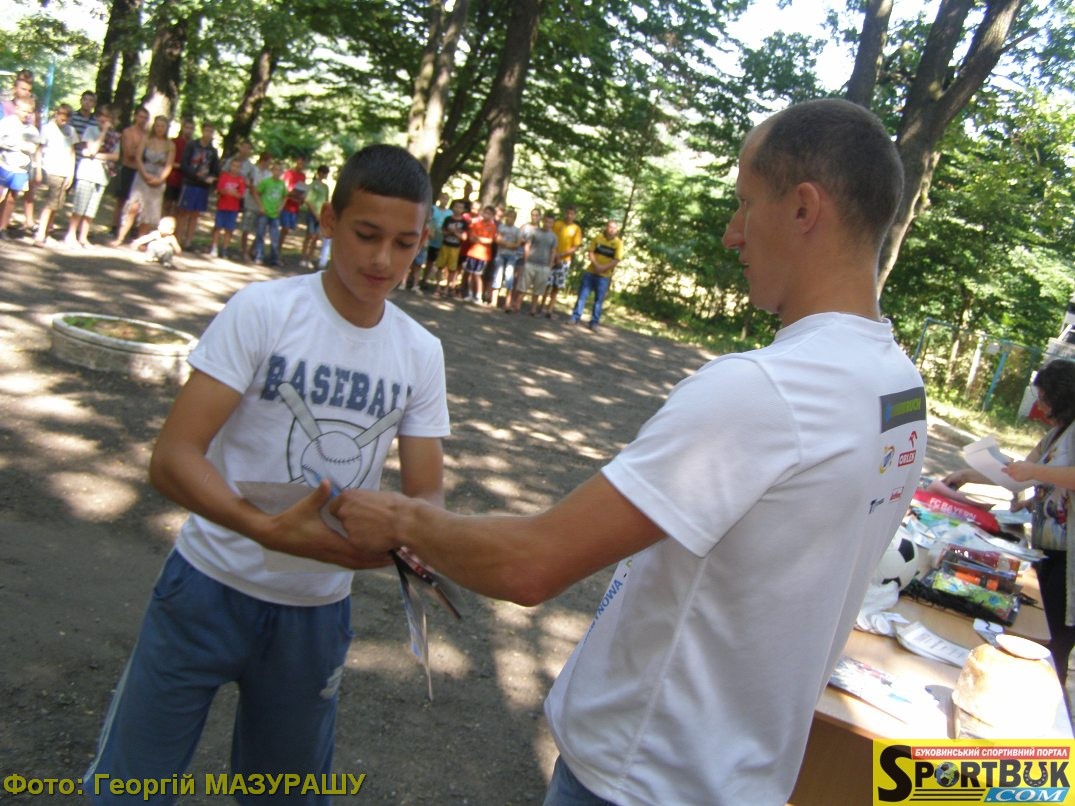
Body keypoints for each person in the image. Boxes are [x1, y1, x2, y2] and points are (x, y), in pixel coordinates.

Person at [326, 99, 927, 805]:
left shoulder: (765, 391)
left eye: (744, 203)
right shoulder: (898, 387)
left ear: (802, 208)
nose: (732, 233)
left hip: (639, 776)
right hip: (741, 778)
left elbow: (532, 563)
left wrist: (401, 519)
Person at [82, 143, 449, 804]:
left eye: (404, 243)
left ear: (423, 242)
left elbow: (426, 491)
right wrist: (264, 530)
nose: (382, 260)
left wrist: (409, 537)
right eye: (366, 234)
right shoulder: (263, 311)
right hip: (207, 586)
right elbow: (174, 457)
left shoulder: (420, 352)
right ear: (329, 220)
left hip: (316, 612)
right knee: (131, 784)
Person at [945, 357, 1075, 686]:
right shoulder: (1057, 434)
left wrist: (1036, 472)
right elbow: (1017, 473)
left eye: (1044, 399)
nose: (1040, 407)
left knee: (1053, 640)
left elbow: (1042, 472)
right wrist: (968, 473)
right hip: (1050, 547)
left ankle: (1049, 699)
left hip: (1070, 557)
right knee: (1041, 627)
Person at [111, 115, 175, 246]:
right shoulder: (146, 139)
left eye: (162, 126)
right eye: (157, 125)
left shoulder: (170, 145)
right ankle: (120, 238)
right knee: (133, 207)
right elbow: (138, 158)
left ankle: (140, 241)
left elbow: (169, 165)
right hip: (142, 174)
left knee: (149, 210)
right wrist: (144, 174)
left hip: (158, 178)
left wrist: (160, 179)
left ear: (166, 128)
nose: (160, 128)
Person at [65, 105, 119, 248]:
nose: (104, 119)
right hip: (87, 173)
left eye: (107, 117)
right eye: (101, 116)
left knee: (91, 210)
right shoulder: (91, 130)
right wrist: (104, 132)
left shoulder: (115, 136)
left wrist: (95, 156)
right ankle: (71, 235)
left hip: (102, 176)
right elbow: (93, 148)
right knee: (79, 207)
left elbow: (115, 156)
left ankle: (83, 237)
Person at [33, 103, 79, 246]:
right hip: (50, 169)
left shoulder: (71, 131)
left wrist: (71, 173)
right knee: (50, 203)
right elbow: (39, 150)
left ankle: (48, 230)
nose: (64, 120)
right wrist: (38, 169)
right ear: (56, 114)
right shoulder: (47, 129)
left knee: (57, 204)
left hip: (64, 171)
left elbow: (72, 152)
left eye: (67, 118)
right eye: (62, 117)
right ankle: (40, 234)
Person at [569, 220, 623, 332]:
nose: (611, 230)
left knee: (598, 300)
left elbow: (616, 260)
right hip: (590, 272)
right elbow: (591, 252)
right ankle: (575, 317)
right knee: (582, 296)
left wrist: (603, 268)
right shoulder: (598, 238)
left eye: (614, 228)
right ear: (606, 227)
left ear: (616, 230)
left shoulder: (618, 243)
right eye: (610, 227)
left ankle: (594, 323)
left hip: (604, 276)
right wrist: (596, 265)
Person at [0, 97, 40, 238]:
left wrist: (24, 147)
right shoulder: (7, 123)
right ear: (16, 109)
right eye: (24, 111)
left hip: (20, 169)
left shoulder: (32, 130)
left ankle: (3, 227)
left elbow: (33, 148)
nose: (26, 114)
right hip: (4, 164)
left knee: (12, 198)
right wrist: (14, 145)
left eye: (29, 112)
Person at [175, 121, 220, 248]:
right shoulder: (192, 145)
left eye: (211, 131)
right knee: (183, 213)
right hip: (189, 183)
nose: (208, 134)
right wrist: (196, 175)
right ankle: (177, 239)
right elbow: (184, 164)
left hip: (203, 187)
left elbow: (215, 170)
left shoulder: (213, 151)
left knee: (195, 214)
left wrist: (211, 178)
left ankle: (188, 241)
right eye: (207, 130)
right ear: (202, 131)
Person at [111, 106, 150, 235]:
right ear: (135, 116)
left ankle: (132, 227)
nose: (143, 120)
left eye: (145, 118)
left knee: (138, 201)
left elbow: (148, 155)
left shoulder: (148, 135)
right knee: (122, 199)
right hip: (128, 169)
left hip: (141, 171)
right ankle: (115, 226)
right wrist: (141, 152)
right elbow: (129, 153)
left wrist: (138, 151)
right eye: (141, 117)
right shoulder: (128, 132)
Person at [541, 206, 583, 318]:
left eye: (572, 214)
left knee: (556, 286)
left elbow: (575, 247)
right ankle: (541, 307)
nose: (569, 216)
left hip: (564, 261)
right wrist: (554, 255)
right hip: (551, 257)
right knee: (547, 284)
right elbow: (550, 238)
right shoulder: (557, 224)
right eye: (568, 213)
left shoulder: (576, 229)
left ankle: (550, 309)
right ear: (565, 213)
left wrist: (560, 255)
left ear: (574, 216)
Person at [513, 212, 556, 315]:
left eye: (550, 222)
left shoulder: (553, 237)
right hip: (530, 263)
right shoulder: (535, 232)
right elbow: (527, 245)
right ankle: (517, 306)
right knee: (523, 286)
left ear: (552, 224)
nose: (547, 224)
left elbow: (553, 251)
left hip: (544, 266)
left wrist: (550, 266)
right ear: (543, 221)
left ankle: (533, 309)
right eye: (546, 221)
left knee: (538, 290)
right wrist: (526, 260)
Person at [207, 156, 246, 259]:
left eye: (238, 167)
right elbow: (220, 190)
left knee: (229, 229)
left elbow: (241, 195)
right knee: (218, 227)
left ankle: (225, 249)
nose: (235, 168)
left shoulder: (241, 180)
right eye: (234, 166)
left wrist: (233, 193)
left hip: (233, 209)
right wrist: (229, 191)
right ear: (230, 166)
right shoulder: (224, 176)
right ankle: (214, 247)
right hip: (222, 206)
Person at [251, 159, 287, 266]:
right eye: (275, 170)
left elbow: (285, 196)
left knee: (275, 238)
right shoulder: (266, 182)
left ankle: (274, 258)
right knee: (260, 235)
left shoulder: (282, 184)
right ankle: (259, 256)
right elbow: (256, 193)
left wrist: (281, 207)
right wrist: (261, 206)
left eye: (280, 170)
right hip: (265, 212)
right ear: (272, 171)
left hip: (275, 214)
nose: (277, 172)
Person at [461, 204, 497, 303]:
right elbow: (471, 238)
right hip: (472, 252)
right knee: (470, 273)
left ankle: (478, 295)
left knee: (478, 275)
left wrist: (479, 239)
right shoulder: (476, 223)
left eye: (489, 214)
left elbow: (489, 241)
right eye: (485, 212)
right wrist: (481, 239)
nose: (486, 215)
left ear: (492, 216)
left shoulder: (492, 226)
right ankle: (470, 294)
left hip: (483, 255)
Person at [240, 150, 272, 261]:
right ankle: (244, 251)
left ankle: (251, 250)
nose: (269, 164)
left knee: (261, 230)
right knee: (246, 228)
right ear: (263, 161)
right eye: (268, 162)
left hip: (263, 205)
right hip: (250, 203)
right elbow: (252, 188)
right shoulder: (253, 170)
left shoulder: (269, 174)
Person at [434, 199, 467, 298]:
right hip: (445, 245)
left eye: (460, 207)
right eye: (456, 206)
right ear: (453, 207)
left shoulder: (464, 222)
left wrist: (455, 232)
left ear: (463, 210)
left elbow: (464, 237)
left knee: (452, 269)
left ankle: (447, 288)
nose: (458, 209)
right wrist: (449, 232)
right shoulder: (448, 219)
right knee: (440, 266)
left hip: (455, 248)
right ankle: (437, 287)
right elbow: (443, 232)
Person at [491, 208, 524, 308]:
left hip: (511, 256)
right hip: (500, 254)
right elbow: (497, 239)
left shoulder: (517, 230)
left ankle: (507, 303)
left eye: (512, 217)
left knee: (509, 277)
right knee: (497, 275)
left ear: (515, 219)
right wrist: (508, 244)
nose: (510, 219)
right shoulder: (501, 227)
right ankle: (493, 301)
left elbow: (518, 244)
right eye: (508, 217)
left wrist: (507, 245)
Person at [162, 117, 193, 217]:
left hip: (185, 180)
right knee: (167, 203)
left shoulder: (193, 145)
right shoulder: (174, 142)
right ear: (183, 128)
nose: (189, 130)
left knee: (178, 207)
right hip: (172, 177)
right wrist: (179, 166)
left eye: (191, 128)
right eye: (187, 127)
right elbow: (166, 159)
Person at [300, 164, 330, 269]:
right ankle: (303, 258)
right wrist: (315, 214)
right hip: (312, 214)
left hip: (321, 215)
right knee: (309, 235)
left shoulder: (326, 187)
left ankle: (309, 258)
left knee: (316, 237)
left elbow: (326, 201)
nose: (325, 175)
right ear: (319, 173)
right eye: (324, 173)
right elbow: (308, 200)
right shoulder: (312, 185)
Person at [280, 155, 307, 252]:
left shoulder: (302, 176)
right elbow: (285, 188)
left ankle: (279, 249)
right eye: (299, 163)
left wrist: (302, 197)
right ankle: (277, 249)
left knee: (288, 230)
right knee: (285, 228)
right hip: (286, 205)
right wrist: (291, 192)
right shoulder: (289, 173)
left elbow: (302, 189)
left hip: (295, 206)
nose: (300, 166)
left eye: (302, 164)